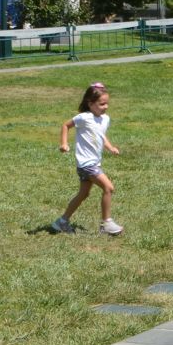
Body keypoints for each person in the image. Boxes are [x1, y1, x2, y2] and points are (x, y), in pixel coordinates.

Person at [53, 82, 123, 235]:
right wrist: (64, 144)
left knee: (83, 194)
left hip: (93, 162)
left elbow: (101, 135)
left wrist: (110, 147)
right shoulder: (84, 117)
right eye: (101, 104)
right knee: (108, 188)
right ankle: (106, 223)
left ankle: (62, 221)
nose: (105, 107)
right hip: (86, 164)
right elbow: (66, 125)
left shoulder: (105, 119)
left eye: (107, 103)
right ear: (90, 103)